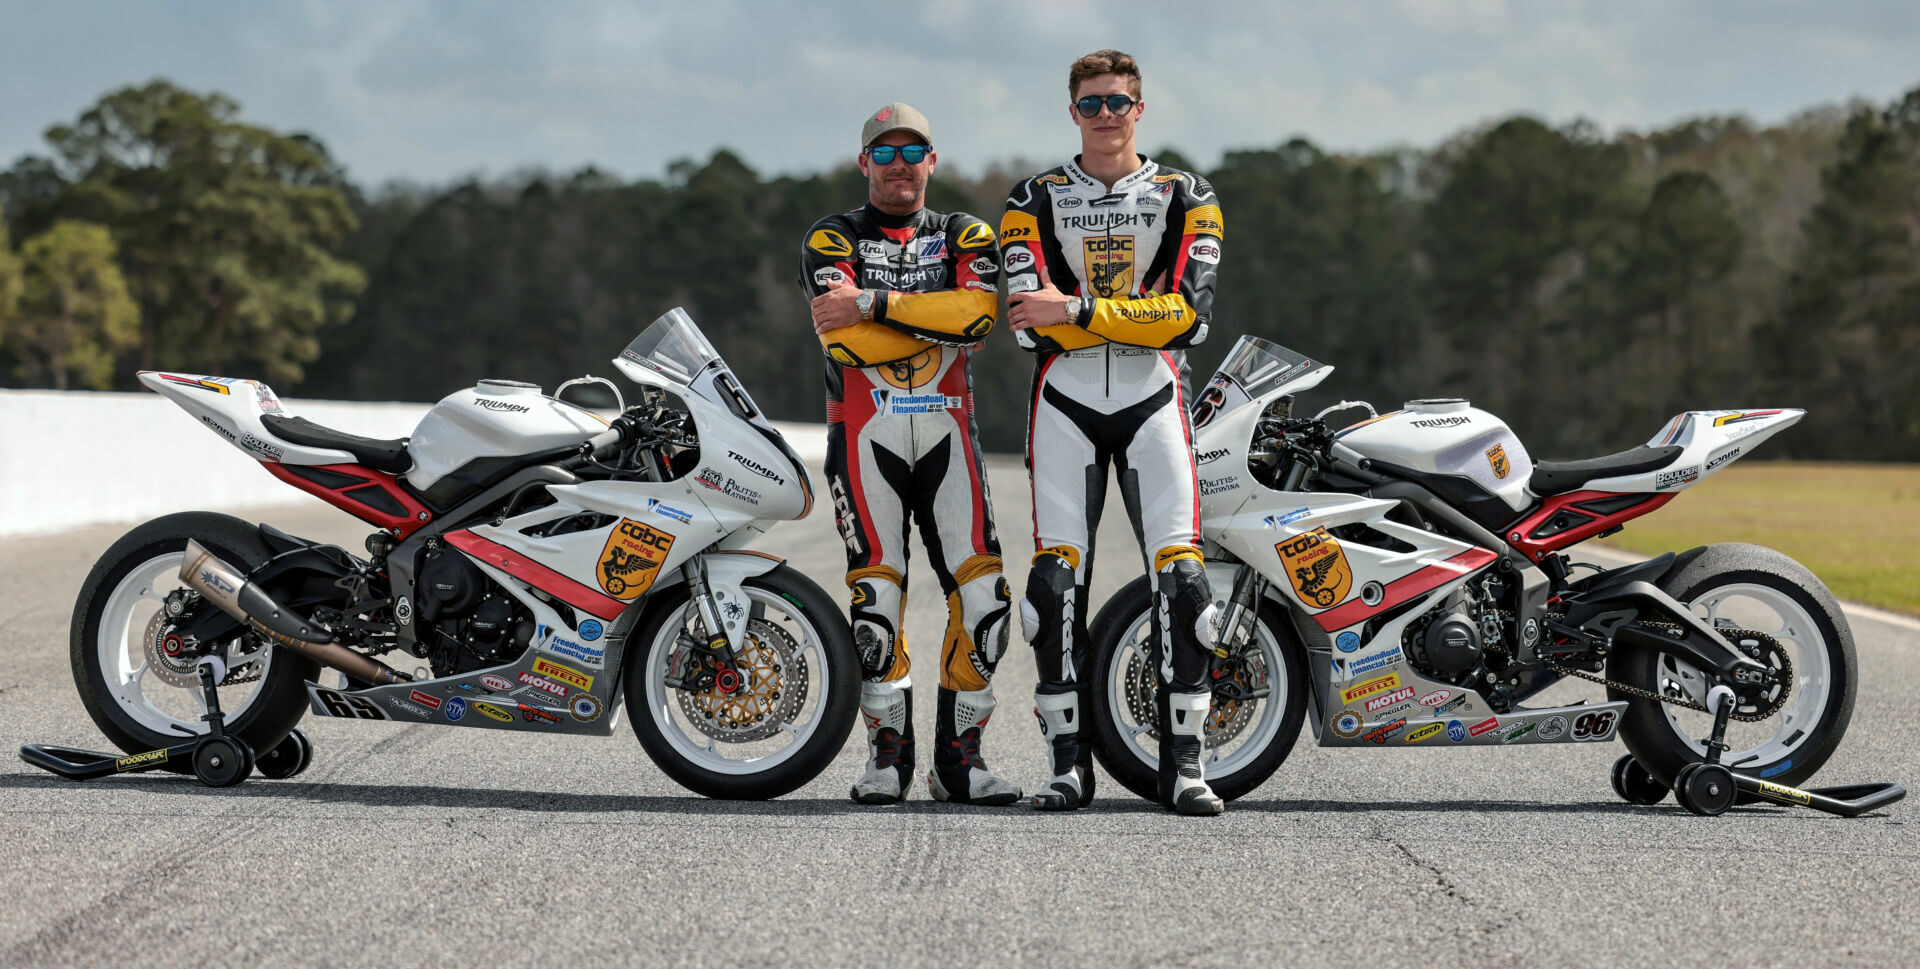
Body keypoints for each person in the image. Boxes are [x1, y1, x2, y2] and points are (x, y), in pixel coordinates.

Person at [1001, 50, 1228, 815]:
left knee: (1186, 583)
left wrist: (1078, 311)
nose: (1106, 115)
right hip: (1061, 400)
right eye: (1091, 103)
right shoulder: (1029, 199)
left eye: (1119, 102)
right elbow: (1029, 328)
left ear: (1141, 108)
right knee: (1051, 587)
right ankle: (1068, 766)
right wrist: (1094, 315)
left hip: (1155, 397)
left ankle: (1185, 766)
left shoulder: (1186, 194)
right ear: (1072, 112)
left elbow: (1189, 317)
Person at [799, 103, 1021, 806]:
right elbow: (843, 342)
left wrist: (872, 302)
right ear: (865, 163)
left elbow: (981, 313)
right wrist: (938, 319)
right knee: (877, 602)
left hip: (952, 435)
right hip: (865, 438)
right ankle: (887, 759)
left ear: (933, 158)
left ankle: (960, 763)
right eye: (883, 153)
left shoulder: (966, 231)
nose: (899, 164)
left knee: (985, 599)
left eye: (912, 150)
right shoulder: (831, 235)